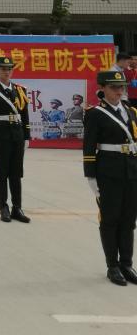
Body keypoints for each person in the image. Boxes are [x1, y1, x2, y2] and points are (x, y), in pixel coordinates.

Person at [83, 70, 137, 286]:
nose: (119, 91)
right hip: (108, 171)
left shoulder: (131, 111)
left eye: (121, 87)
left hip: (131, 170)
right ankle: (112, 266)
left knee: (128, 219)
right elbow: (88, 147)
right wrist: (91, 176)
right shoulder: (95, 114)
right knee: (110, 219)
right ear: (103, 88)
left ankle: (126, 264)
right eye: (114, 87)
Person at [0, 56, 31, 223]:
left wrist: (27, 136)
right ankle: (3, 207)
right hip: (0, 133)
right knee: (1, 172)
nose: (7, 72)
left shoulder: (20, 90)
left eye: (9, 69)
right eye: (3, 69)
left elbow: (24, 114)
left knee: (16, 172)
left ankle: (17, 207)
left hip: (17, 133)